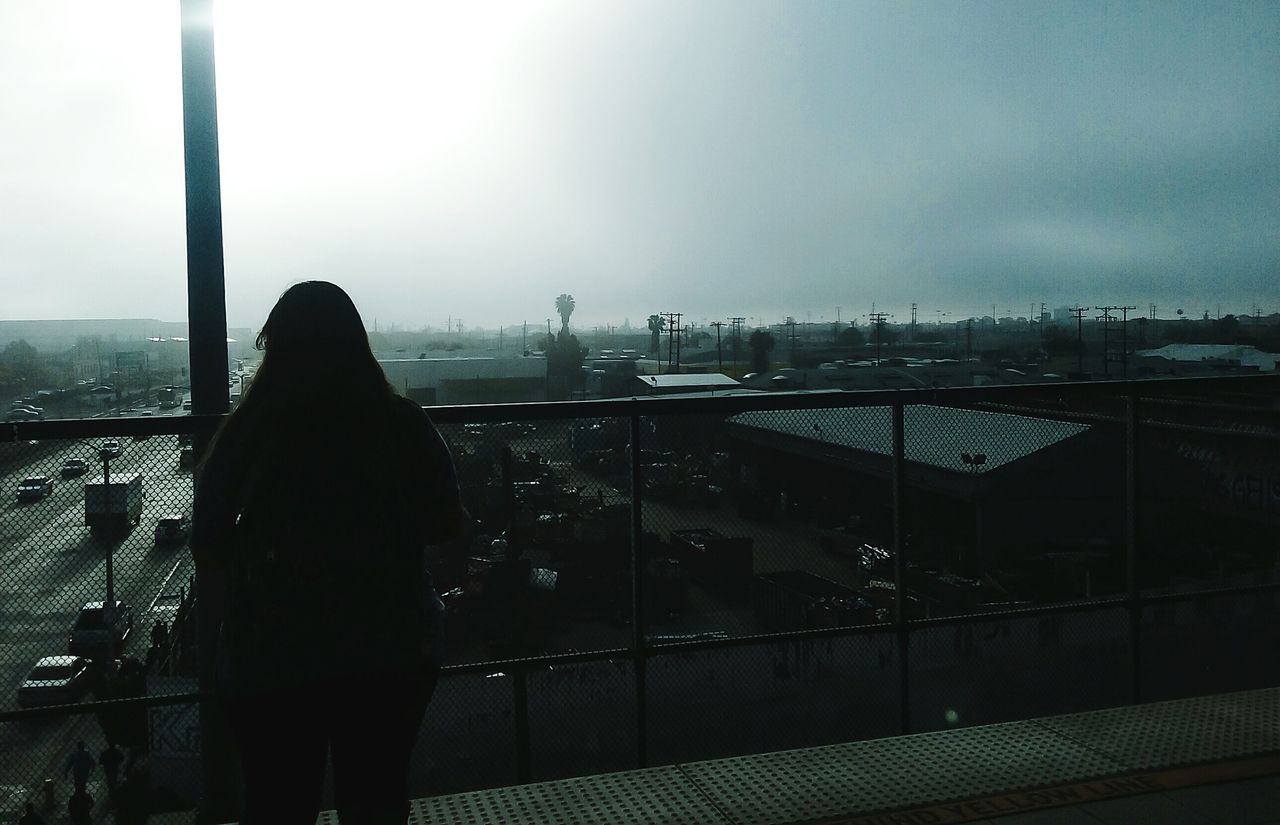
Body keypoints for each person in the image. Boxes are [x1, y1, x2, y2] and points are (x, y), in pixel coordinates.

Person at [192, 281, 464, 825]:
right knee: (375, 796)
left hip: (271, 655)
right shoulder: (400, 422)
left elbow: (209, 545)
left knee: (278, 801)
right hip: (388, 646)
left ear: (277, 349)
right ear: (357, 346)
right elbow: (445, 524)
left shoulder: (248, 432)